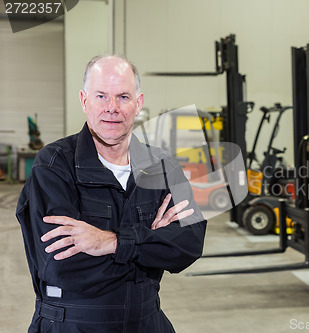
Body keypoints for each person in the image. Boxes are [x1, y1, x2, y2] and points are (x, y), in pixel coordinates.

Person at [16, 55, 207, 333]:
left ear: (138, 104)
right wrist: (152, 243)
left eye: (123, 97)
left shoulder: (163, 166)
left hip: (147, 322)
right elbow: (63, 269)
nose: (112, 108)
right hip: (73, 324)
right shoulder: (54, 165)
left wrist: (110, 242)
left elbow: (190, 245)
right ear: (84, 100)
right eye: (102, 96)